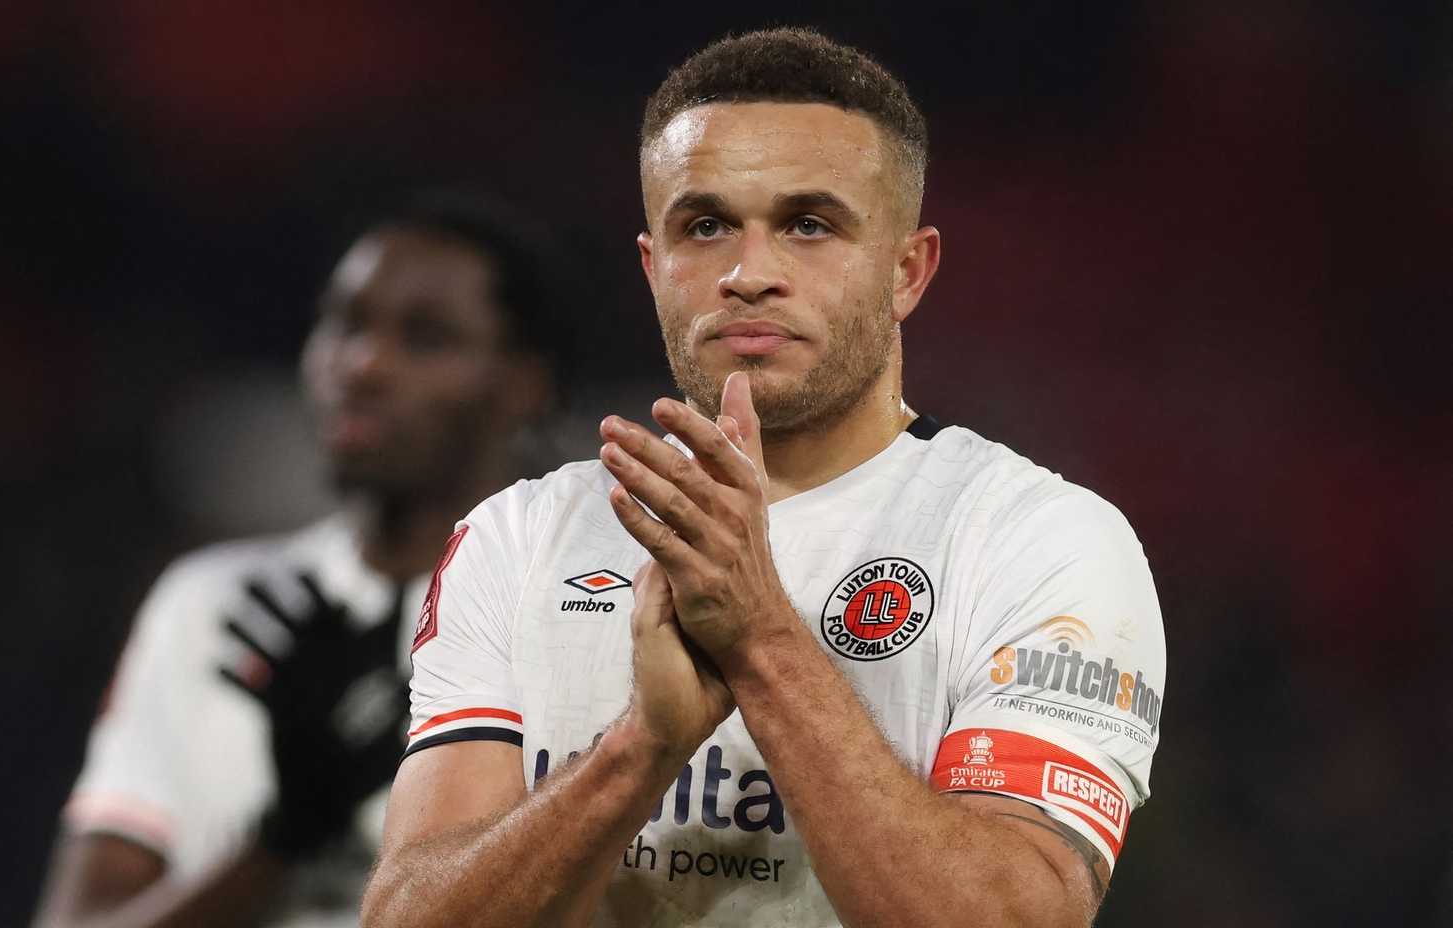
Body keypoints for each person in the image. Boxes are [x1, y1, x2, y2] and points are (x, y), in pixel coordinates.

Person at [363, 27, 1166, 928]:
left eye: (808, 225)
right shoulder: (516, 538)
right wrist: (643, 748)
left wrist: (759, 639)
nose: (749, 275)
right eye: (704, 226)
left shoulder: (1042, 541)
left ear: (908, 270)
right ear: (652, 266)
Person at [33, 192, 568, 928]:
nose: (363, 364)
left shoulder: (583, 608)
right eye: (344, 324)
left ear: (523, 383)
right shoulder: (213, 607)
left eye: (425, 338)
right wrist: (287, 835)